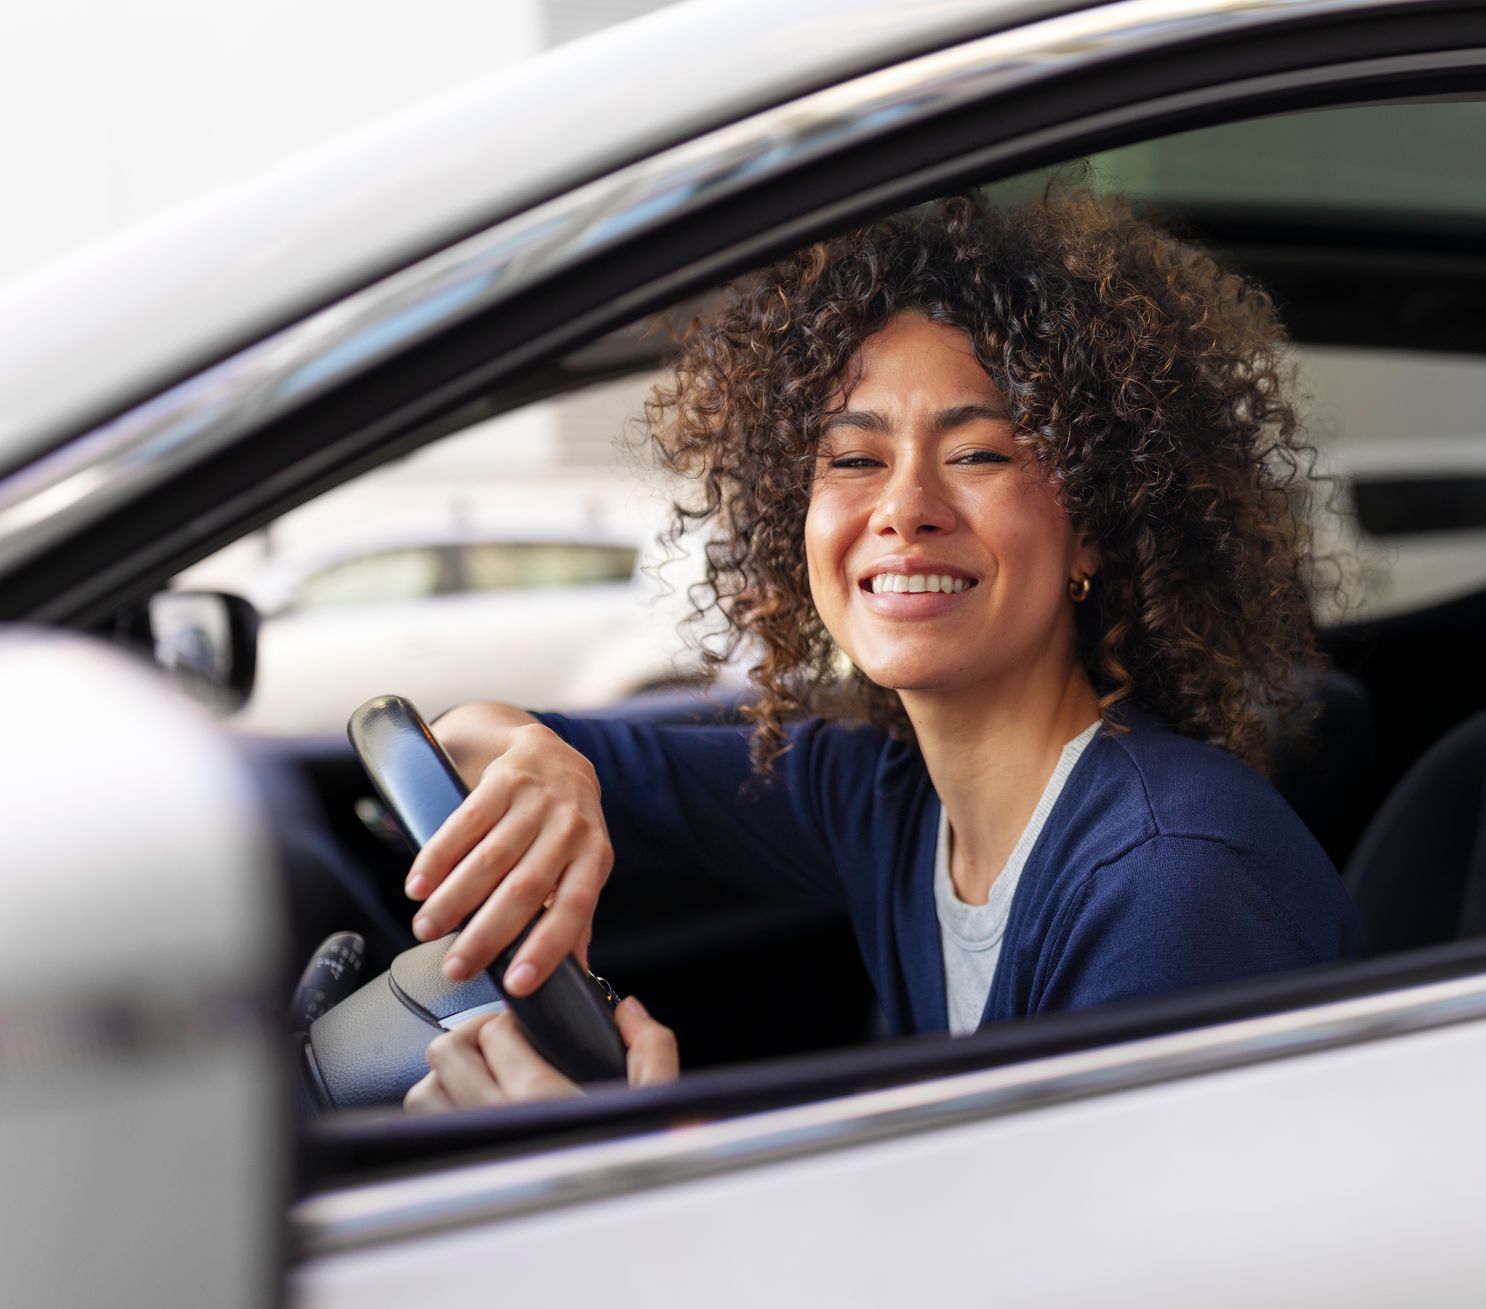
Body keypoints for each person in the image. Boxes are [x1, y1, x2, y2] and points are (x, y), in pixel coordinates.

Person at [401, 185, 1363, 1113]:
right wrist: (543, 761)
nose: (903, 510)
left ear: (1095, 523)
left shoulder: (1174, 882)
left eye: (979, 453)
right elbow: (459, 746)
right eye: (855, 460)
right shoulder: (889, 794)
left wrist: (624, 1176)